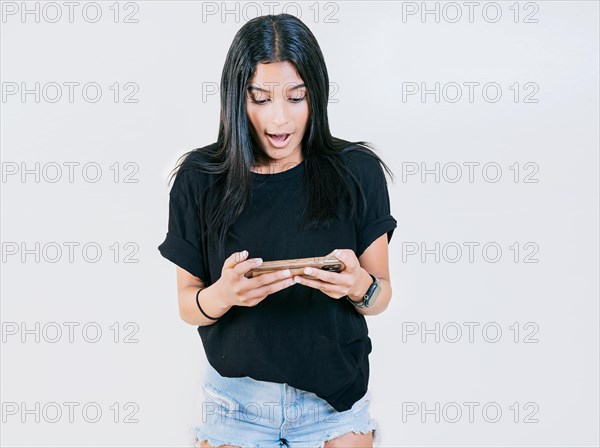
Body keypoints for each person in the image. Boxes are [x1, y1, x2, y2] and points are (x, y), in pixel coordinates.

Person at [158, 13, 397, 448]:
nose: (280, 119)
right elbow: (187, 305)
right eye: (261, 98)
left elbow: (379, 295)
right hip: (236, 406)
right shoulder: (200, 178)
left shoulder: (357, 171)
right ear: (237, 97)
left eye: (296, 97)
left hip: (335, 406)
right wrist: (225, 294)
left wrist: (356, 284)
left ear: (315, 96)